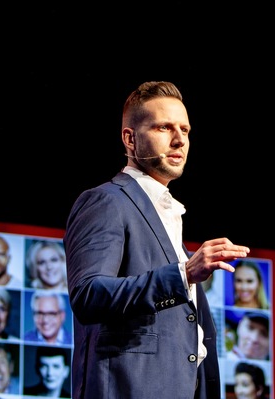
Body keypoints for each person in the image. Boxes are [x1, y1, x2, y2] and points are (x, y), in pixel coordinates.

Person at [63, 81, 251, 399]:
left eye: (185, 130)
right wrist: (184, 274)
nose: (179, 140)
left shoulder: (168, 214)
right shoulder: (107, 201)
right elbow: (88, 295)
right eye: (164, 127)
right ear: (130, 138)